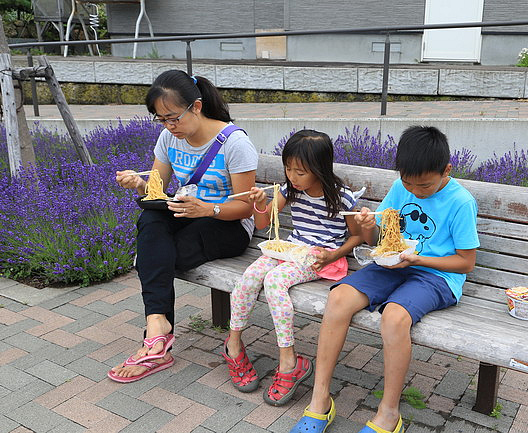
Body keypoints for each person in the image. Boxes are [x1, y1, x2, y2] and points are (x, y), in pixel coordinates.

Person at [290, 125, 480, 433]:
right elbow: (375, 238)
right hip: (394, 264)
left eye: (425, 186)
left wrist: (418, 259)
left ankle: (389, 413)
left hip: (436, 275)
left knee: (393, 317)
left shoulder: (460, 202)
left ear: (447, 169)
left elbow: (465, 263)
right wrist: (365, 225)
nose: (415, 191)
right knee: (337, 299)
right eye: (408, 182)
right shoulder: (400, 187)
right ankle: (320, 400)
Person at [109, 70, 257, 383]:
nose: (168, 127)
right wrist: (139, 184)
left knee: (154, 256)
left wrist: (208, 208)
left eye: (173, 118)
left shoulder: (234, 142)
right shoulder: (168, 139)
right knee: (150, 219)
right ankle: (158, 325)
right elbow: (157, 191)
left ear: (197, 107)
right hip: (185, 213)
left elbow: (246, 207)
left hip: (227, 223)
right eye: (160, 120)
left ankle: (155, 344)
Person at [223, 129, 363, 406]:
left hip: (319, 258)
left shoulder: (342, 197)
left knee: (274, 282)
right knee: (250, 275)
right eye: (288, 169)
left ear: (320, 168)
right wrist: (260, 205)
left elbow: (357, 237)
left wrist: (334, 255)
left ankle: (289, 361)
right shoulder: (288, 190)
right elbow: (263, 225)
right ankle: (233, 345)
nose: (292, 177)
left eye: (300, 172)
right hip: (292, 250)